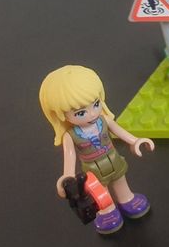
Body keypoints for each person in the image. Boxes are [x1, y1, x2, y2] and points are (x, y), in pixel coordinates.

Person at [39, 65, 155, 235]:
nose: (93, 114)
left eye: (96, 104)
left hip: (113, 158)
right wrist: (67, 177)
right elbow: (69, 157)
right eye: (80, 113)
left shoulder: (104, 120)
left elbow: (120, 132)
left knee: (120, 179)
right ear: (61, 114)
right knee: (100, 191)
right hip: (93, 169)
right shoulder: (70, 136)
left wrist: (135, 141)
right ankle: (107, 210)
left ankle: (126, 199)